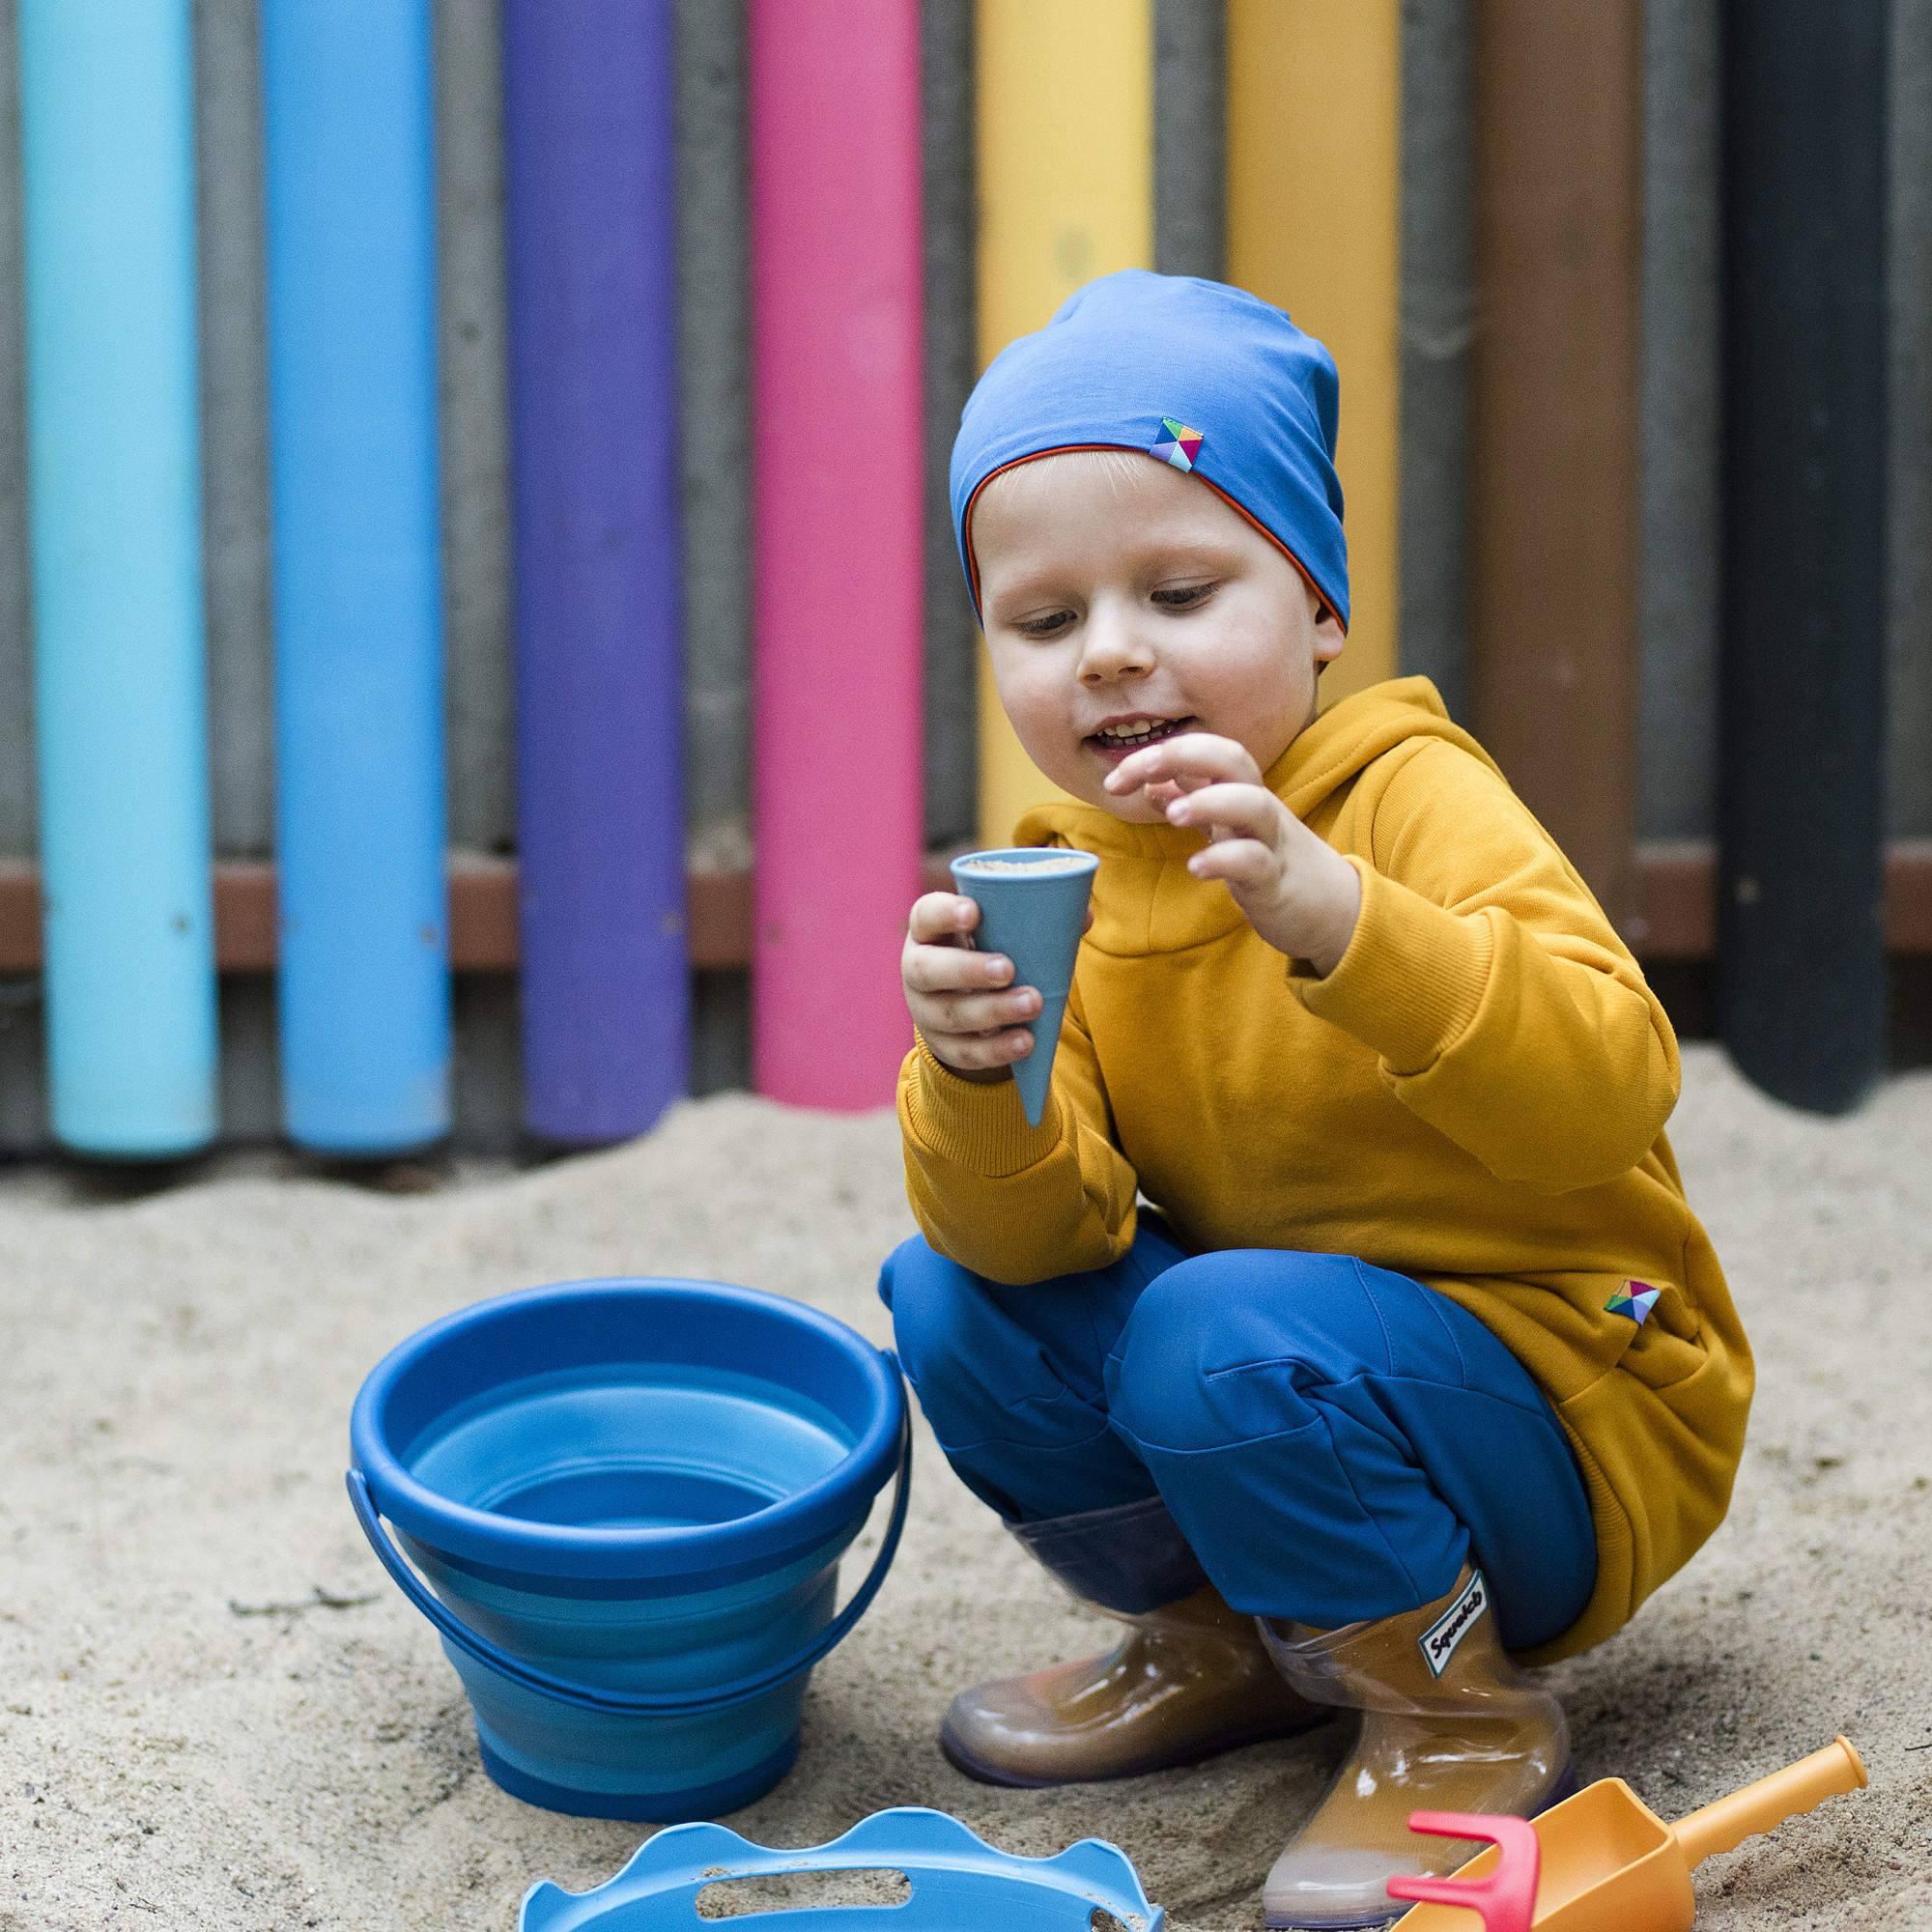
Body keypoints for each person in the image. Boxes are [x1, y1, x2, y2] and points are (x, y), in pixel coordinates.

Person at [880, 270, 1752, 1930]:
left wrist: (1335, 914)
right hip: (1284, 1386)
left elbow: (1611, 1089)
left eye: (1183, 588)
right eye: (1045, 621)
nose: (1116, 651)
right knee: (948, 1291)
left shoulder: (1407, 798)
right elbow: (1028, 1233)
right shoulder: (1056, 873)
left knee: (1214, 1327)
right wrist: (972, 1070)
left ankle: (1449, 1709)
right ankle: (1231, 1636)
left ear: (1321, 610)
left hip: (1572, 1393)